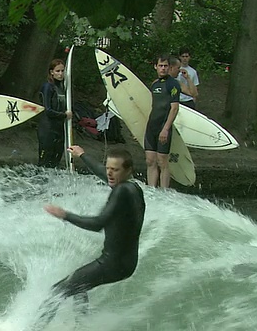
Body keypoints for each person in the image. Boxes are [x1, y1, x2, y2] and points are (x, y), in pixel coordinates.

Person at [34, 145, 145, 329]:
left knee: (57, 291)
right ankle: (82, 324)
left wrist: (65, 215)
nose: (109, 173)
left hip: (113, 263)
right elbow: (104, 174)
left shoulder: (121, 191)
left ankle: (33, 328)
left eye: (115, 170)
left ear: (128, 170)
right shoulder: (133, 187)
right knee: (78, 286)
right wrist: (82, 155)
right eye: (108, 168)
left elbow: (98, 224)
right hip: (127, 263)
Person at [145, 54, 181, 188]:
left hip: (163, 127)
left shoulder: (173, 84)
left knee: (162, 161)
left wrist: (165, 129)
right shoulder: (154, 84)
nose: (163, 69)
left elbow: (174, 108)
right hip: (151, 126)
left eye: (166, 66)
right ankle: (151, 190)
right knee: (150, 160)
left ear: (169, 67)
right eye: (160, 66)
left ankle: (164, 192)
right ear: (155, 67)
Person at [37, 59, 73, 168]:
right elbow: (47, 110)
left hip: (59, 129)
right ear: (51, 72)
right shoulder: (47, 87)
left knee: (55, 161)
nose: (60, 74)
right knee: (44, 162)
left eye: (62, 71)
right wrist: (64, 115)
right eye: (57, 71)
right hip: (47, 129)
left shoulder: (62, 87)